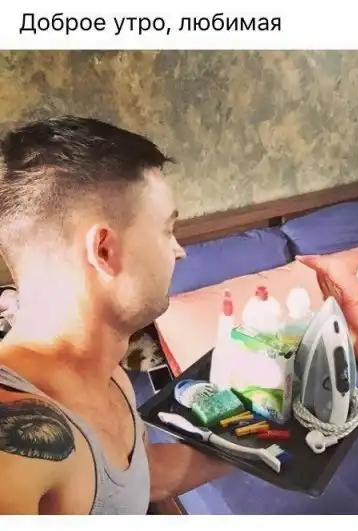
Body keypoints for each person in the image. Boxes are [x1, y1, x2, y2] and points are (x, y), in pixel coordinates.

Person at [0, 116, 233, 515]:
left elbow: (141, 478)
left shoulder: (111, 375)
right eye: (167, 230)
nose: (179, 250)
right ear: (104, 251)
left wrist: (260, 448)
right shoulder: (15, 454)